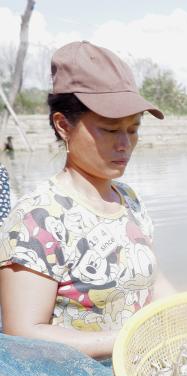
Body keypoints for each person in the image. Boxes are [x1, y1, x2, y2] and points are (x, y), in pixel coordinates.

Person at [0, 41, 174, 359]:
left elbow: (155, 282)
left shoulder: (129, 200)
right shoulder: (38, 217)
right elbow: (23, 334)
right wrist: (130, 340)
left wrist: (186, 320)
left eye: (133, 129)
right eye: (110, 130)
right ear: (63, 125)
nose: (125, 144)